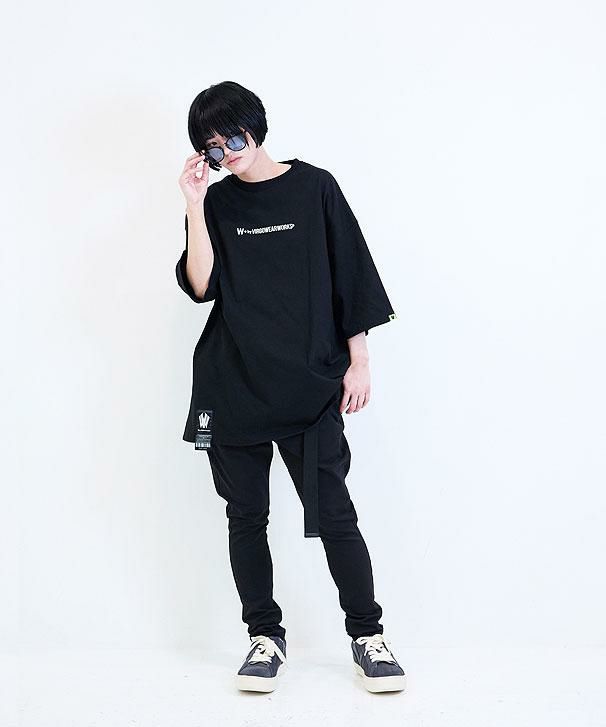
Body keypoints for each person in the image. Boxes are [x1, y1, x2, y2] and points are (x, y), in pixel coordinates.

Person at [175, 80, 406, 694]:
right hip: (233, 384)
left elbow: (351, 274)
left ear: (256, 127)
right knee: (246, 517)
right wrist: (194, 205)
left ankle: (368, 635)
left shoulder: (315, 187)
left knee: (333, 514)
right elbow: (201, 286)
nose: (226, 152)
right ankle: (264, 637)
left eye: (233, 137)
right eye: (212, 145)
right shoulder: (217, 202)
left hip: (310, 383)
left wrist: (359, 360)